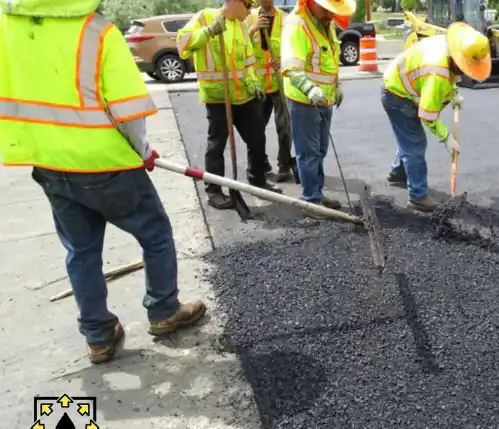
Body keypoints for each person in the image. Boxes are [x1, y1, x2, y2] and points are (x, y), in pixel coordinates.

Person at [0, 0, 206, 364]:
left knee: (81, 252)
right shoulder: (96, 31)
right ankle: (164, 312)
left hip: (50, 161)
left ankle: (98, 336)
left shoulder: (9, 25)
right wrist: (142, 150)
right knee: (155, 234)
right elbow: (127, 111)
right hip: (105, 163)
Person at [177, 0, 282, 211]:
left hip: (244, 96)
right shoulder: (205, 17)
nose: (250, 12)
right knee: (216, 146)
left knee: (257, 139)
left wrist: (253, 84)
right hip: (218, 98)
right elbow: (182, 46)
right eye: (248, 6)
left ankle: (257, 179)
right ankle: (214, 191)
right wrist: (208, 31)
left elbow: (248, 60)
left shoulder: (241, 26)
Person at [380, 22, 490, 213]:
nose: (466, 71)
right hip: (397, 94)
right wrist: (446, 137)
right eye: (465, 66)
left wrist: (453, 92)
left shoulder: (450, 46)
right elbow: (427, 115)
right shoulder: (438, 70)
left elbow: (445, 80)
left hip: (404, 84)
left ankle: (398, 172)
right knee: (416, 143)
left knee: (408, 137)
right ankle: (417, 196)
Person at [280, 0, 356, 210]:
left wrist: (337, 85)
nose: (330, 14)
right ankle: (311, 201)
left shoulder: (326, 23)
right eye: (326, 9)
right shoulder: (296, 25)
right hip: (304, 99)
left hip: (325, 98)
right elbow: (290, 67)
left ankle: (317, 193)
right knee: (308, 152)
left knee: (320, 149)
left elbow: (328, 59)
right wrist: (310, 89)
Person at [247, 0, 296, 183]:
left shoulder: (285, 19)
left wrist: (282, 60)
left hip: (279, 82)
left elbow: (294, 47)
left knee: (284, 126)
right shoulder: (249, 17)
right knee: (256, 129)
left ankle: (284, 165)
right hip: (258, 84)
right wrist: (253, 29)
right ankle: (261, 164)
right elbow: (240, 46)